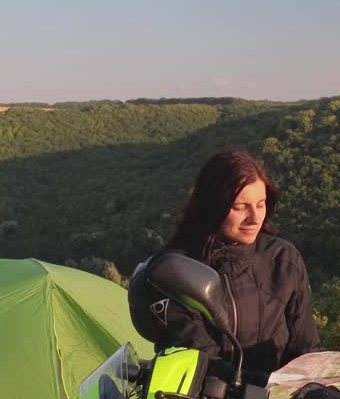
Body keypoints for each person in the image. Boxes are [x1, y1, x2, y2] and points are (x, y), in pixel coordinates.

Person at [129, 149, 321, 386]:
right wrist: (268, 387)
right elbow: (201, 362)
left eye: (261, 204)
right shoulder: (176, 271)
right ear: (213, 206)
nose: (255, 218)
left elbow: (307, 348)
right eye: (240, 207)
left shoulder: (283, 258)